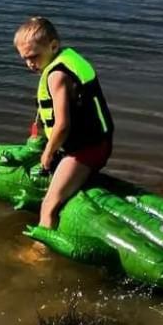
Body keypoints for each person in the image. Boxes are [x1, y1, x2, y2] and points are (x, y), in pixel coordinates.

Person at [13, 16, 114, 230]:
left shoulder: (57, 76)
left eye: (33, 57)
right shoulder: (64, 61)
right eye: (24, 58)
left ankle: (40, 255)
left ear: (54, 45)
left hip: (87, 150)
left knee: (49, 204)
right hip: (93, 142)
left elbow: (63, 125)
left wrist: (47, 154)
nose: (30, 64)